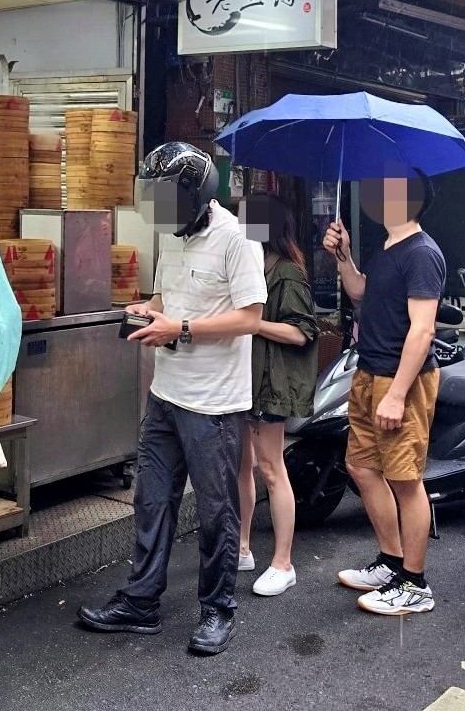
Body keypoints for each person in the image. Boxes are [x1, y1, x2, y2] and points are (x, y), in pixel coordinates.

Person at [77, 142, 265, 656]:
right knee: (151, 500)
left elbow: (250, 317)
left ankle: (218, 609)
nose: (159, 211)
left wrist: (179, 326)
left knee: (215, 510)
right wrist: (148, 309)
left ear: (197, 196)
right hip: (165, 395)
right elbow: (167, 299)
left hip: (215, 404)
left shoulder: (239, 238)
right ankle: (141, 602)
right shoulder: (173, 238)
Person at [324, 170, 444, 616]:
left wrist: (396, 393)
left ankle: (414, 583)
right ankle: (391, 562)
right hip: (368, 372)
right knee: (361, 466)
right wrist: (345, 257)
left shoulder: (422, 253)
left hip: (401, 382)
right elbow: (361, 294)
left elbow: (423, 330)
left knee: (405, 480)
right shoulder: (388, 248)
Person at [235, 194, 319, 598]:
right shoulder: (252, 266)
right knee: (241, 465)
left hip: (273, 382)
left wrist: (255, 324)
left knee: (271, 469)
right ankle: (242, 547)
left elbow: (301, 332)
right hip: (244, 380)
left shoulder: (287, 274)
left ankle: (283, 563)